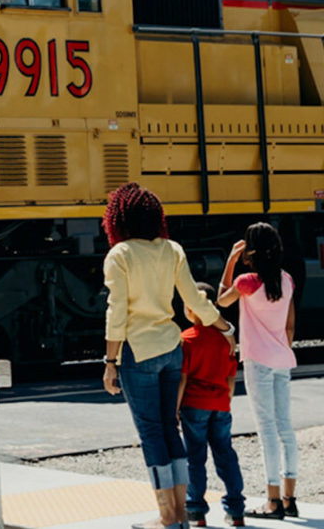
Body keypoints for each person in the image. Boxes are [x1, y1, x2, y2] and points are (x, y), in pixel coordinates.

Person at [102, 183, 236, 529]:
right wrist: (223, 326)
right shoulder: (171, 249)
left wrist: (110, 362)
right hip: (170, 349)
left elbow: (117, 311)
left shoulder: (120, 255)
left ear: (117, 219)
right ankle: (179, 515)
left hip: (139, 352)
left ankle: (167, 517)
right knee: (169, 428)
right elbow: (193, 298)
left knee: (151, 433)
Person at [218, 222, 298, 520]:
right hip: (282, 360)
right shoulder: (287, 280)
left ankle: (272, 501)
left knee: (266, 431)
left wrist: (230, 262)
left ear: (251, 250)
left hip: (258, 363)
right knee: (285, 428)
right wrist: (280, 349)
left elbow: (220, 300)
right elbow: (289, 326)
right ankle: (290, 498)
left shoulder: (247, 281)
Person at [177, 282, 245, 527]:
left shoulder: (187, 339)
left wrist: (174, 409)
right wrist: (226, 400)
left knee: (194, 457)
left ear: (192, 308)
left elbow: (182, 378)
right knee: (225, 454)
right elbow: (230, 376)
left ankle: (196, 511)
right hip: (220, 404)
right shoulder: (226, 340)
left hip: (195, 404)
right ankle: (236, 510)